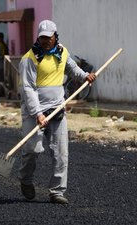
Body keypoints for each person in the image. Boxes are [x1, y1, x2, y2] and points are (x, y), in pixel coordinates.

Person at [18, 20, 96, 204]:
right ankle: (25, 179)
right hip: (34, 111)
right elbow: (28, 89)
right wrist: (38, 113)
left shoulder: (62, 52)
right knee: (32, 149)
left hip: (57, 108)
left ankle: (57, 191)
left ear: (55, 37)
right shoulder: (30, 58)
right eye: (42, 38)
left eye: (49, 38)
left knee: (61, 152)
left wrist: (85, 76)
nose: (45, 41)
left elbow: (73, 68)